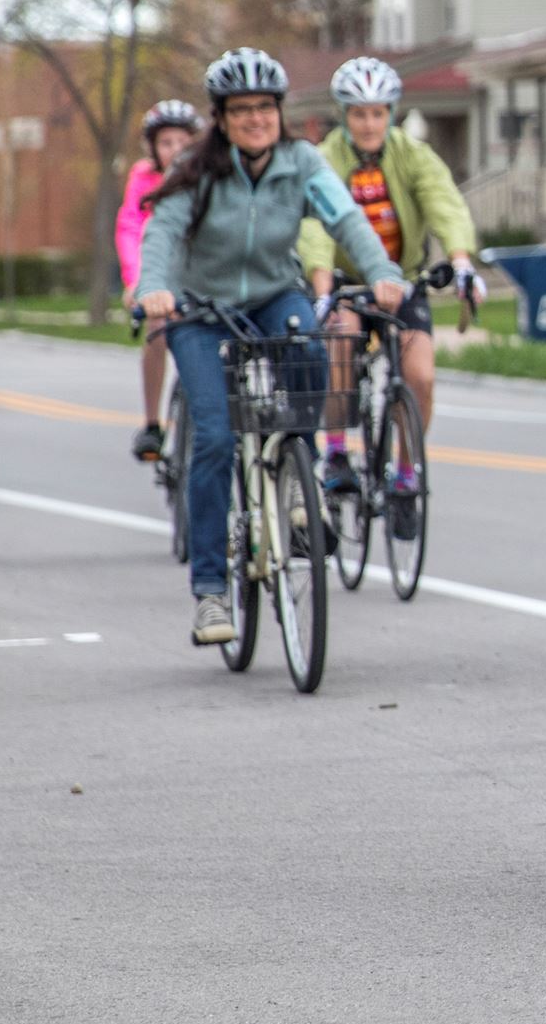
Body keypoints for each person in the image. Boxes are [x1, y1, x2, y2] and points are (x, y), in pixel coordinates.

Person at [135, 49, 407, 647]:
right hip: (199, 310)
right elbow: (161, 231)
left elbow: (347, 221)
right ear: (222, 117)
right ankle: (210, 591)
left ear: (279, 112)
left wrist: (382, 270)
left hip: (271, 295)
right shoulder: (197, 165)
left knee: (310, 355)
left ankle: (296, 483)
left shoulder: (300, 161)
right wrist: (153, 287)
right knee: (213, 435)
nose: (255, 118)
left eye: (265, 107)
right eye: (242, 110)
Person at [298, 55, 483, 518]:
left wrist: (460, 261)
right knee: (340, 337)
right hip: (345, 283)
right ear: (344, 116)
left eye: (377, 112)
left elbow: (444, 202)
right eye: (358, 113)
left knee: (419, 376)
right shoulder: (325, 158)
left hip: (403, 281)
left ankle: (404, 475)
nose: (368, 123)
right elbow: (315, 227)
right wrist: (322, 286)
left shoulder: (411, 153)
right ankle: (337, 451)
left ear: (391, 114)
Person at [119, 99, 206, 463]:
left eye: (182, 142)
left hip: (199, 274)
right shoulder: (143, 177)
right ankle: (153, 423)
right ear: (153, 147)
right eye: (166, 142)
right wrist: (136, 280)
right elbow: (131, 227)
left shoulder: (204, 173)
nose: (174, 150)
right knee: (158, 328)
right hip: (157, 276)